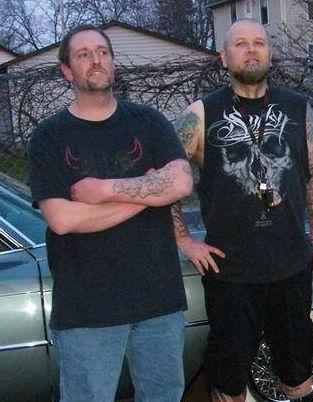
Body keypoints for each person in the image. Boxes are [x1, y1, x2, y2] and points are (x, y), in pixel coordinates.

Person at [26, 25, 193, 401]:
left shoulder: (148, 122)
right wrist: (149, 192)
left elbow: (181, 182)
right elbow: (63, 219)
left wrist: (103, 191)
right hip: (87, 309)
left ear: (113, 63)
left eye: (102, 52)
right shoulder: (49, 137)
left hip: (158, 302)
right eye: (83, 54)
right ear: (67, 70)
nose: (96, 60)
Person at [169, 19, 313, 402]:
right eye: (240, 43)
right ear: (224, 57)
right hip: (231, 273)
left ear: (270, 53)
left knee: (297, 374)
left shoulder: (298, 108)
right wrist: (184, 240)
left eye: (259, 42)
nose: (251, 49)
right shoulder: (200, 114)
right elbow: (167, 181)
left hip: (290, 267)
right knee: (229, 382)